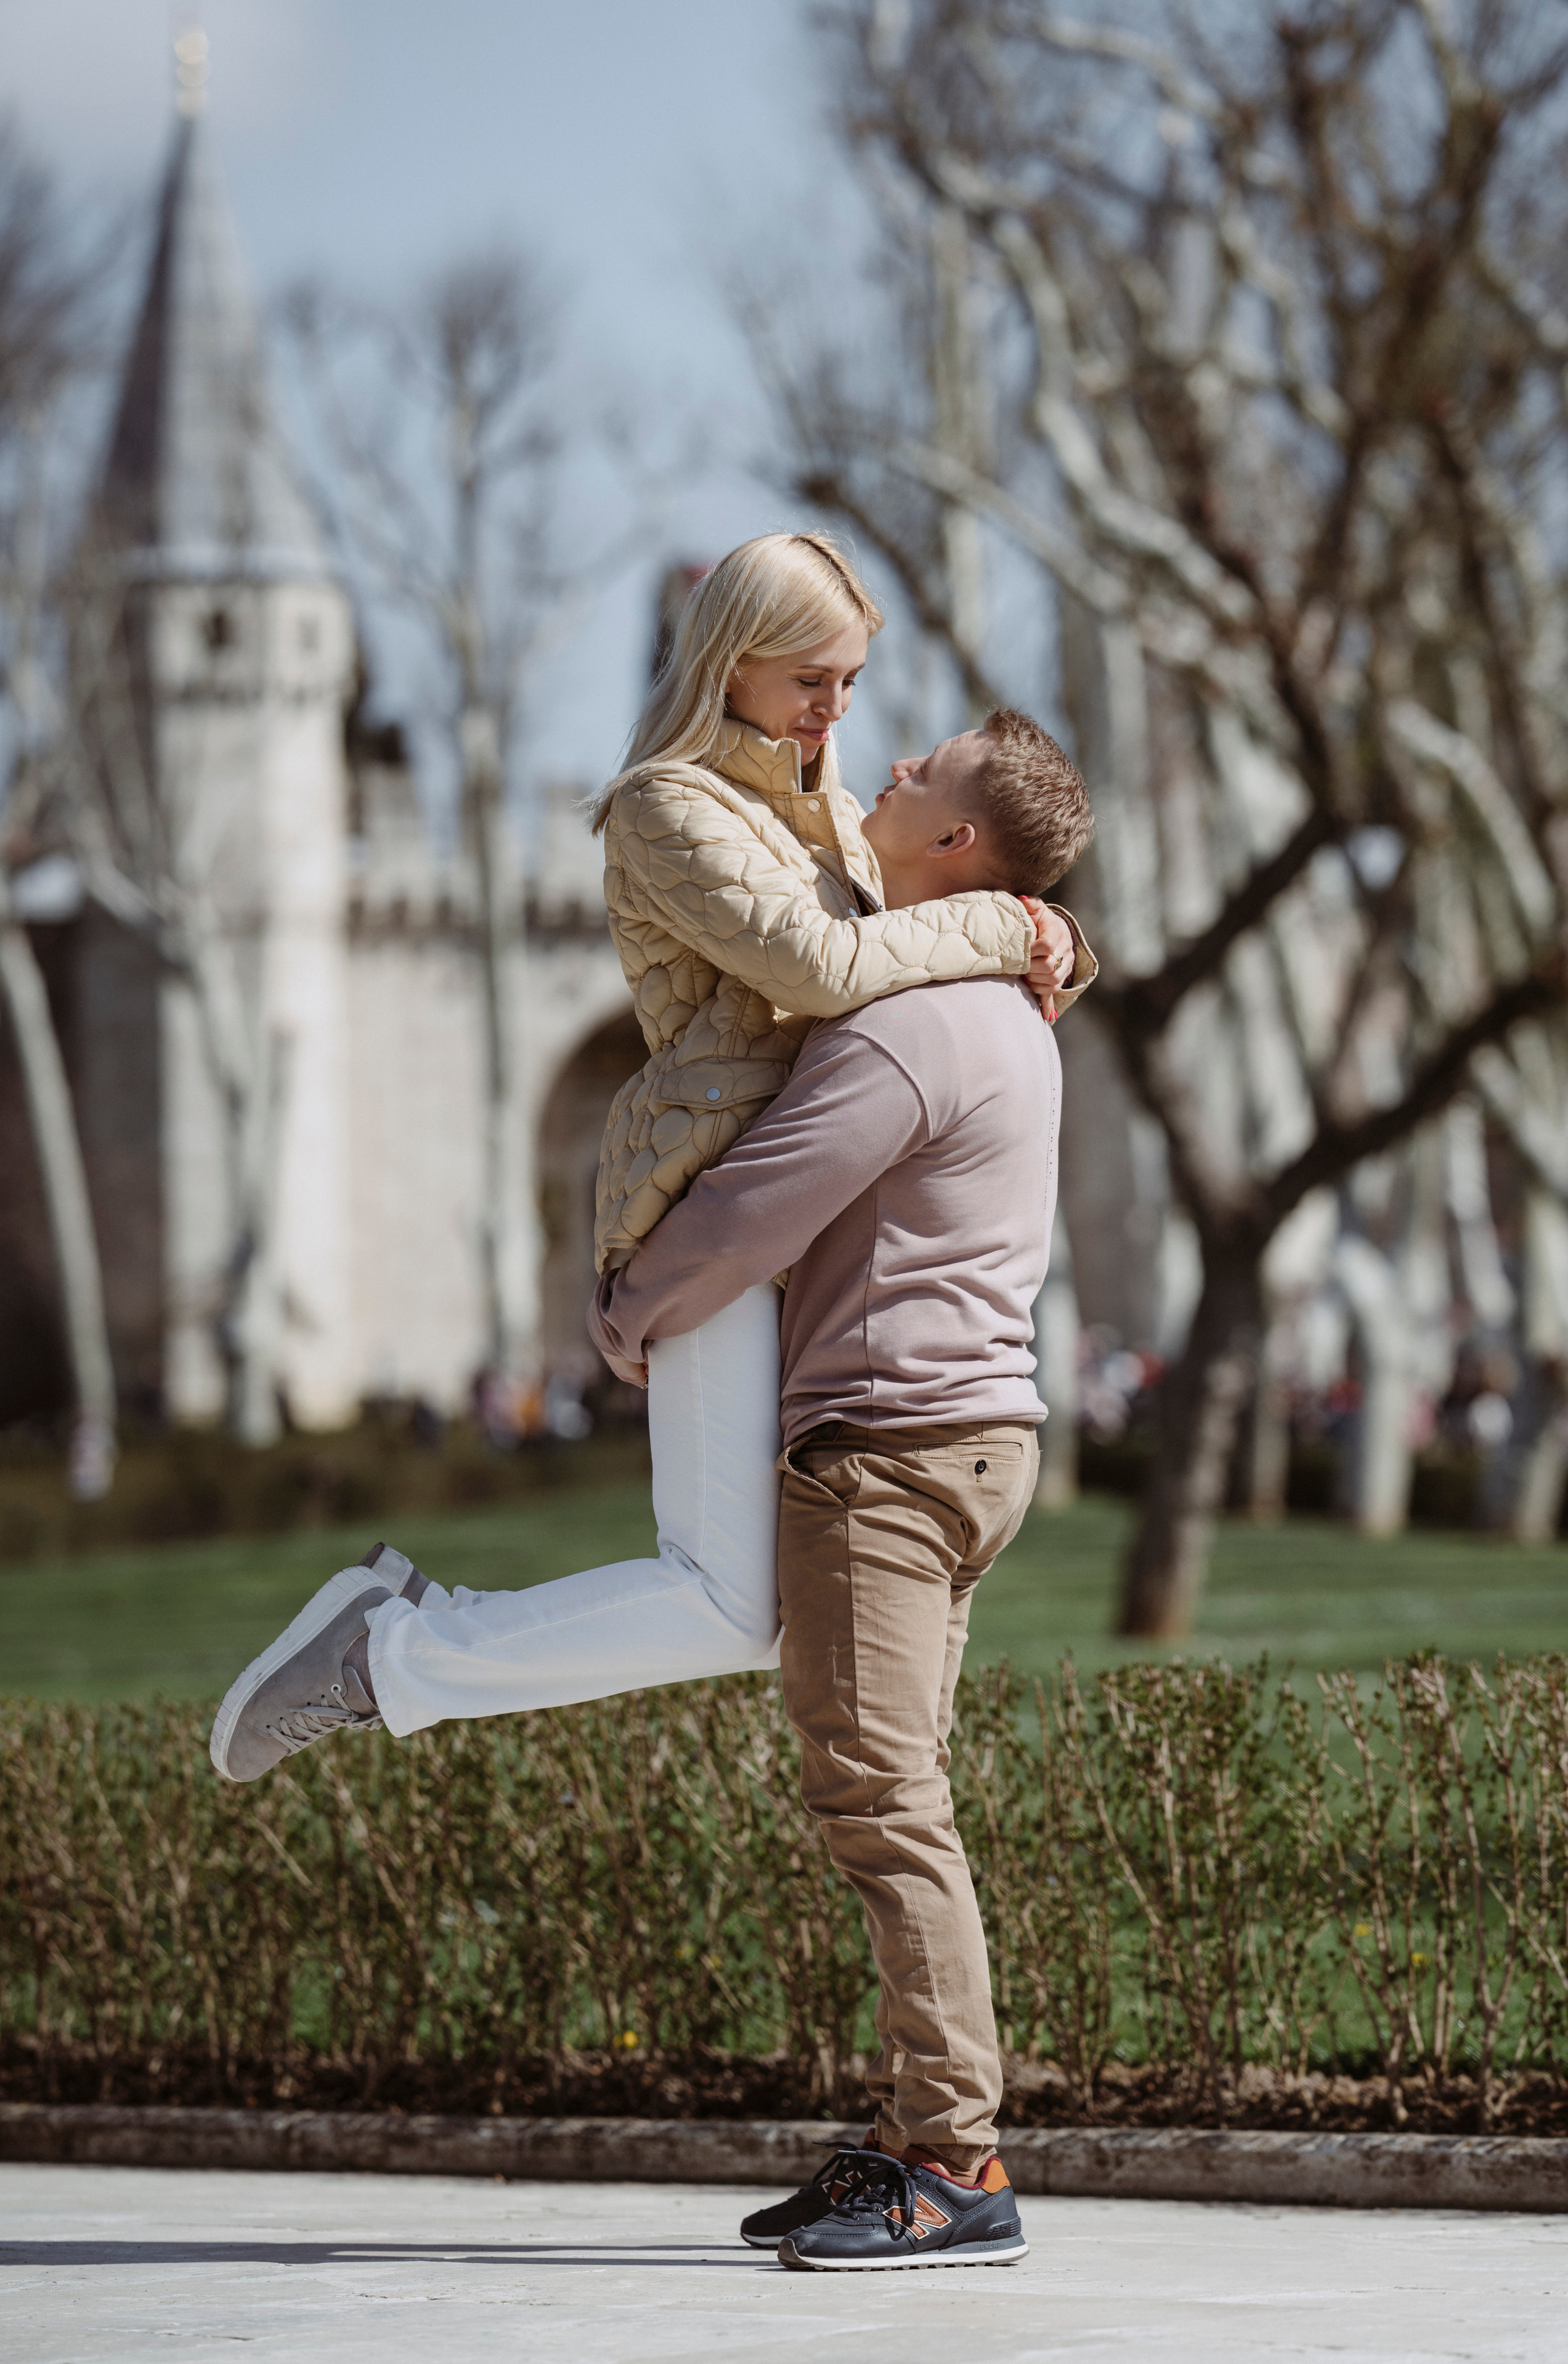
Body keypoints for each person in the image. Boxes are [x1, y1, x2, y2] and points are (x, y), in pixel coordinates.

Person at [210, 535, 1091, 1779]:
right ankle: (383, 1657)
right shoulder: (665, 806)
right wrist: (1006, 920)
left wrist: (1054, 935)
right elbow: (823, 967)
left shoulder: (833, 814)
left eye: (850, 679)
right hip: (705, 1212)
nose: (841, 711)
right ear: (731, 659)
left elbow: (927, 949)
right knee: (728, 1605)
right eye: (812, 679)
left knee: (750, 1612)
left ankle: (396, 1632)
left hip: (782, 1239)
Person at [583, 707, 1090, 2270]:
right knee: (900, 1793)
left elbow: (758, 1199)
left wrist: (629, 1306)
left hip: (885, 1456)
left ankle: (950, 2160)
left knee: (880, 1802)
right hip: (971, 1442)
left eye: (924, 770)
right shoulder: (1005, 1010)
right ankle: (918, 2133)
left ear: (956, 845)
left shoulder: (910, 1029)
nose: (891, 765)